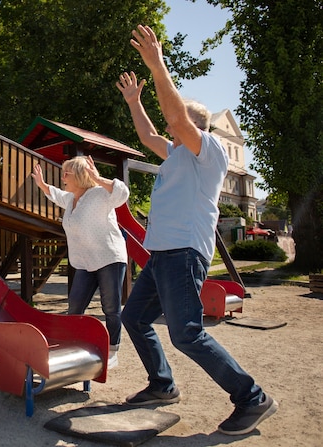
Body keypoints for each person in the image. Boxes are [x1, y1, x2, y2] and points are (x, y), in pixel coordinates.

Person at [116, 25, 277, 435]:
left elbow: (172, 117)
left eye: (180, 122)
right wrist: (135, 102)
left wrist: (158, 67)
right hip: (163, 253)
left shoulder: (210, 151)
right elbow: (150, 132)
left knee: (187, 334)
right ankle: (162, 385)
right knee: (133, 318)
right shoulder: (175, 154)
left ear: (194, 125)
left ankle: (252, 398)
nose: (171, 128)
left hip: (185, 250)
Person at [31, 155, 129, 368]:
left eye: (67, 172)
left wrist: (99, 178)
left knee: (110, 307)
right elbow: (55, 194)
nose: (62, 175)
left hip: (108, 257)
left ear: (80, 176)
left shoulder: (100, 194)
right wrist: (42, 185)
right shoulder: (70, 199)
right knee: (75, 305)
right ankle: (73, 344)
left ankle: (112, 349)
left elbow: (122, 193)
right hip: (85, 261)